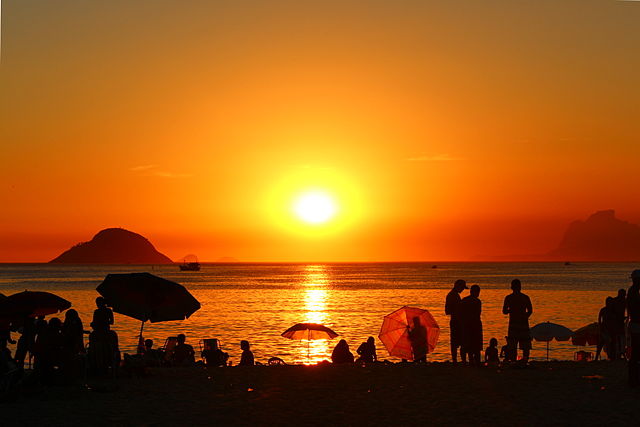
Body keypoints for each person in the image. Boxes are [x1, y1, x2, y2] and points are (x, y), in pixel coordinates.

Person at [502, 279, 533, 364]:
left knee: (513, 345)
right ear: (520, 287)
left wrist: (511, 310)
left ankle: (514, 361)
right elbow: (530, 310)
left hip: (513, 324)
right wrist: (525, 317)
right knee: (525, 345)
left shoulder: (509, 298)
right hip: (523, 324)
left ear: (512, 287)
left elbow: (504, 311)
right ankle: (525, 360)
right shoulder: (525, 297)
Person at [445, 279, 468, 364]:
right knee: (457, 341)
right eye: (462, 288)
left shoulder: (454, 295)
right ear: (458, 286)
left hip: (457, 321)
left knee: (459, 341)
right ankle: (457, 359)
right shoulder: (452, 295)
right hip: (456, 321)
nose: (462, 290)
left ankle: (459, 359)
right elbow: (447, 311)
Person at [460, 285, 483, 366]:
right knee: (476, 345)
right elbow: (478, 313)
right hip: (474, 324)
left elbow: (461, 313)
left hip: (466, 324)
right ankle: (476, 361)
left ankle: (464, 361)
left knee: (466, 344)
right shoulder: (477, 301)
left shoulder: (464, 300)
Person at [627, 270, 640, 387]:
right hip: (636, 325)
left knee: (636, 353)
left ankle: (634, 378)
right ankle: (633, 379)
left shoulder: (634, 291)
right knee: (636, 352)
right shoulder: (633, 292)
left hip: (635, 325)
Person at [613, 288, 627, 359]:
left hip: (620, 321)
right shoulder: (615, 301)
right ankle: (618, 353)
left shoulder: (624, 301)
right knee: (617, 337)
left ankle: (621, 352)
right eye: (624, 295)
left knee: (621, 337)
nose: (624, 296)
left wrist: (626, 318)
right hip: (616, 322)